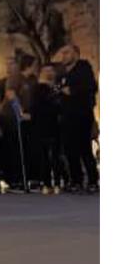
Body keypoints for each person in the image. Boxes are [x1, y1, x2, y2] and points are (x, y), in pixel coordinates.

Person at [57, 44, 99, 191]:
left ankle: (93, 180)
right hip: (67, 116)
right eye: (63, 53)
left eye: (67, 53)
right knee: (70, 150)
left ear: (75, 54)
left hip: (81, 115)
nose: (64, 56)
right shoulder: (62, 73)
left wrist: (73, 90)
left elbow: (92, 87)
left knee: (84, 148)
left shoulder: (83, 68)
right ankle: (76, 180)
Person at [32, 64, 63, 193]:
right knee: (44, 154)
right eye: (46, 71)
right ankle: (46, 182)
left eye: (51, 71)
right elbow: (37, 106)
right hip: (42, 124)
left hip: (56, 124)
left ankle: (57, 181)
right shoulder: (39, 88)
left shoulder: (57, 87)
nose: (49, 73)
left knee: (56, 154)